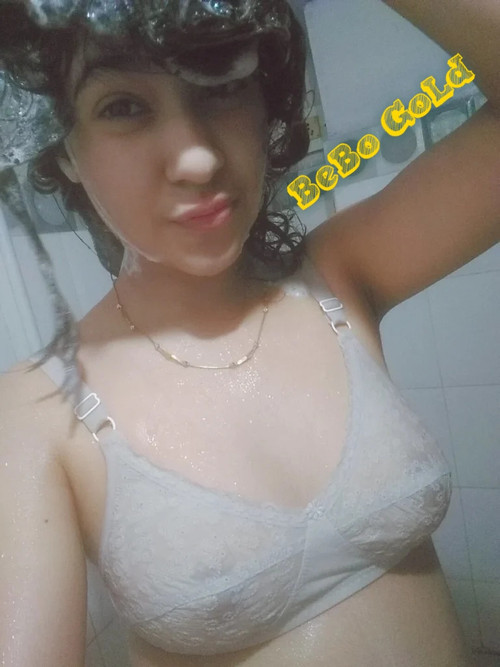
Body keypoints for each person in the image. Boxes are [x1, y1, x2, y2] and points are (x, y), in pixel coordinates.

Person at [0, 0, 499, 665]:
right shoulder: (36, 409)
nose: (197, 157)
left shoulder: (339, 275)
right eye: (123, 106)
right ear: (63, 149)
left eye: (222, 85)